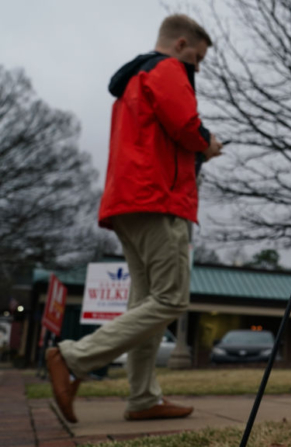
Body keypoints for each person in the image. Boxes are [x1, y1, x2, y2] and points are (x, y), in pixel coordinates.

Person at [46, 14, 223, 423]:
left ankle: (143, 397)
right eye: (197, 58)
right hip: (157, 199)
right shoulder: (167, 69)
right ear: (181, 45)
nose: (196, 68)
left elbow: (160, 133)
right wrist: (207, 145)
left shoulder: (134, 79)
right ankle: (72, 356)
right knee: (171, 299)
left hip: (129, 200)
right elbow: (184, 124)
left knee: (146, 302)